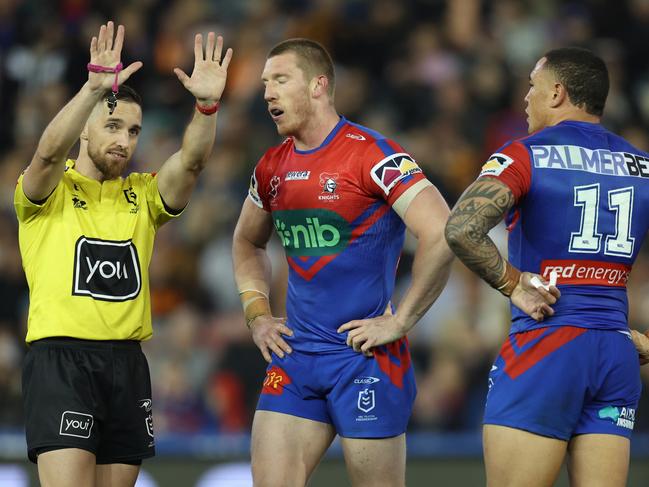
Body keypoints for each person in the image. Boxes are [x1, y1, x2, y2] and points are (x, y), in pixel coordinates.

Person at [14, 21, 232, 487]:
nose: (124, 141)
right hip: (62, 361)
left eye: (133, 130)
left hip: (127, 364)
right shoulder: (47, 191)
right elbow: (48, 154)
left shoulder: (144, 196)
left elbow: (191, 162)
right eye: (112, 125)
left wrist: (208, 107)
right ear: (84, 129)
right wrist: (93, 87)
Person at [232, 38, 454, 487]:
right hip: (296, 359)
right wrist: (257, 315)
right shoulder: (271, 168)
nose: (268, 93)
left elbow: (442, 230)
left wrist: (402, 320)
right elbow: (246, 243)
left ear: (318, 85)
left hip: (365, 358)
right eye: (264, 84)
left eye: (280, 80)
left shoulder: (373, 154)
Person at [444, 47, 648, 487]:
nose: (525, 99)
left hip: (548, 344)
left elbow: (461, 228)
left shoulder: (525, 154)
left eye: (532, 87)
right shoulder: (641, 165)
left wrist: (513, 283)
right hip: (616, 353)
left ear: (557, 93)